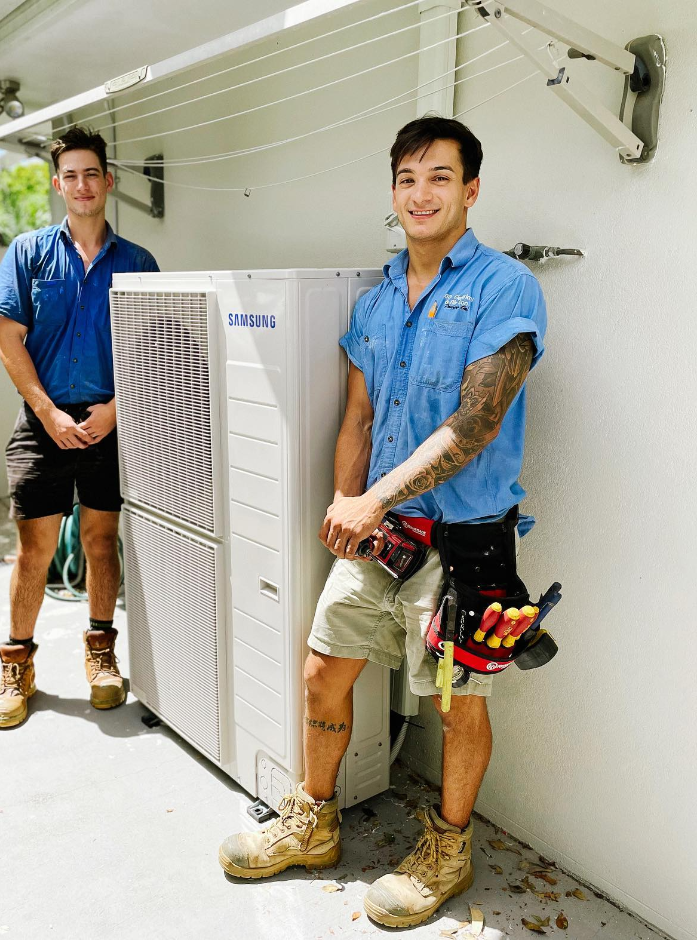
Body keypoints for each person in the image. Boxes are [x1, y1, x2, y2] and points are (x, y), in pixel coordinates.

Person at [218, 115, 547, 928]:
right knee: (324, 671)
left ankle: (449, 848)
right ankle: (313, 822)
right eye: (407, 178)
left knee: (457, 704)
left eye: (440, 176)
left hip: (466, 542)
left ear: (471, 190)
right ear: (392, 193)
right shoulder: (373, 302)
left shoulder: (505, 288)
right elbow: (358, 417)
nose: (421, 192)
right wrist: (346, 505)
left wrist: (373, 499)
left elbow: (473, 428)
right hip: (381, 535)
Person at [0, 126, 158, 729]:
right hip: (43, 423)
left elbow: (156, 348)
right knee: (33, 551)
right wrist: (48, 412)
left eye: (92, 173)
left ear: (108, 181)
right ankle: (17, 665)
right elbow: (9, 341)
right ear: (58, 184)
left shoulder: (138, 263)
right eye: (70, 175)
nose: (82, 185)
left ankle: (102, 654)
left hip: (112, 422)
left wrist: (114, 409)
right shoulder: (28, 253)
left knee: (100, 543)